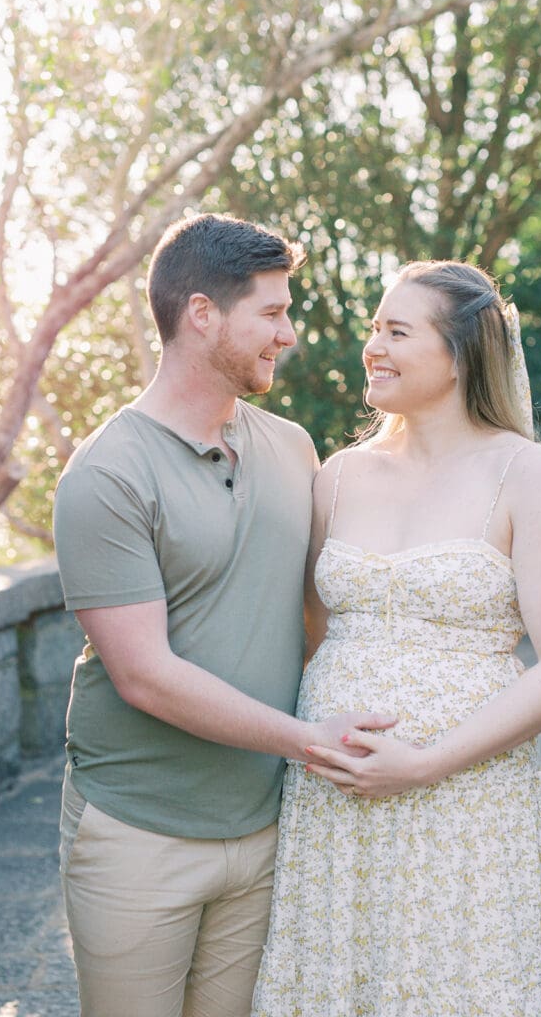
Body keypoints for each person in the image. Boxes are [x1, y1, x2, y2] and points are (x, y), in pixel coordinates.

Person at [52, 212, 394, 1017]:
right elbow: (146, 677)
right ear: (202, 313)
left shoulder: (295, 449)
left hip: (269, 830)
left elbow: (324, 616)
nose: (291, 334)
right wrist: (312, 742)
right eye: (272, 312)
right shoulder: (107, 474)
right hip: (139, 836)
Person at [251, 260, 541, 1017]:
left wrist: (423, 764)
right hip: (335, 808)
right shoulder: (337, 475)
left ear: (461, 353)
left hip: (468, 803)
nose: (371, 346)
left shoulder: (528, 473)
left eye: (397, 331)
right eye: (374, 328)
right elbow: (314, 635)